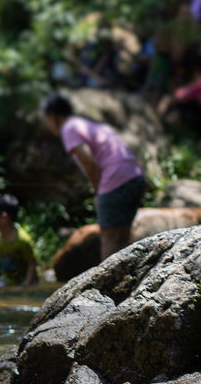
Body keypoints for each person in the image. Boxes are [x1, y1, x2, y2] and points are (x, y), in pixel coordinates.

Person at [39, 92, 147, 260]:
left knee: (109, 240)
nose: (45, 123)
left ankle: (109, 285)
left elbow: (89, 163)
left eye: (45, 118)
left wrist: (98, 193)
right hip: (135, 177)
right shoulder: (84, 123)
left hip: (114, 181)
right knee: (122, 239)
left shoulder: (68, 128)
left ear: (52, 115)